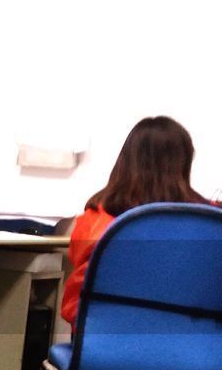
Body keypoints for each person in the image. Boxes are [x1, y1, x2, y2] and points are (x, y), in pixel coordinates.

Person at [61, 115, 209, 326]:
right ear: (185, 162)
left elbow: (78, 294)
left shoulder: (97, 218)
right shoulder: (212, 222)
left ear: (125, 160)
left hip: (105, 344)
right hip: (189, 348)